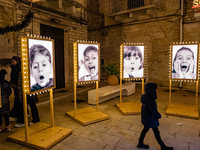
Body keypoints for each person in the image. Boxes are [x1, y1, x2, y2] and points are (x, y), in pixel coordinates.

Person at [137, 82, 173, 150]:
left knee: (145, 130)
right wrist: (158, 115)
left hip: (147, 118)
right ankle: (163, 147)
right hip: (150, 119)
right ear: (152, 90)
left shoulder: (146, 97)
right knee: (156, 133)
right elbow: (153, 111)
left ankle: (140, 143)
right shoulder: (150, 100)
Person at [9, 56, 21, 120]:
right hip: (15, 86)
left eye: (13, 61)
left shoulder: (18, 68)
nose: (12, 63)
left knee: (17, 100)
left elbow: (17, 78)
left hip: (18, 86)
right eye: (11, 62)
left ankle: (13, 115)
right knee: (18, 100)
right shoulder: (14, 68)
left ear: (17, 61)